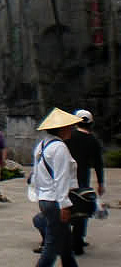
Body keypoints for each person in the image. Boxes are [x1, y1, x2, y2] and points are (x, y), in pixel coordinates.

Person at [31, 107, 81, 267]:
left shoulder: (42, 146)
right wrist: (65, 205)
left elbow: (36, 175)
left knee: (65, 242)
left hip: (46, 198)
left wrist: (38, 195)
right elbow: (61, 179)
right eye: (68, 127)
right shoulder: (59, 148)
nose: (71, 130)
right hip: (56, 201)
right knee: (52, 245)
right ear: (61, 128)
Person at [66, 109, 105, 256]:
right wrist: (101, 183)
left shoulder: (68, 136)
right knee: (82, 208)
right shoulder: (93, 140)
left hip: (68, 177)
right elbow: (98, 163)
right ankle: (78, 240)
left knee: (68, 207)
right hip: (83, 178)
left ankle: (68, 239)